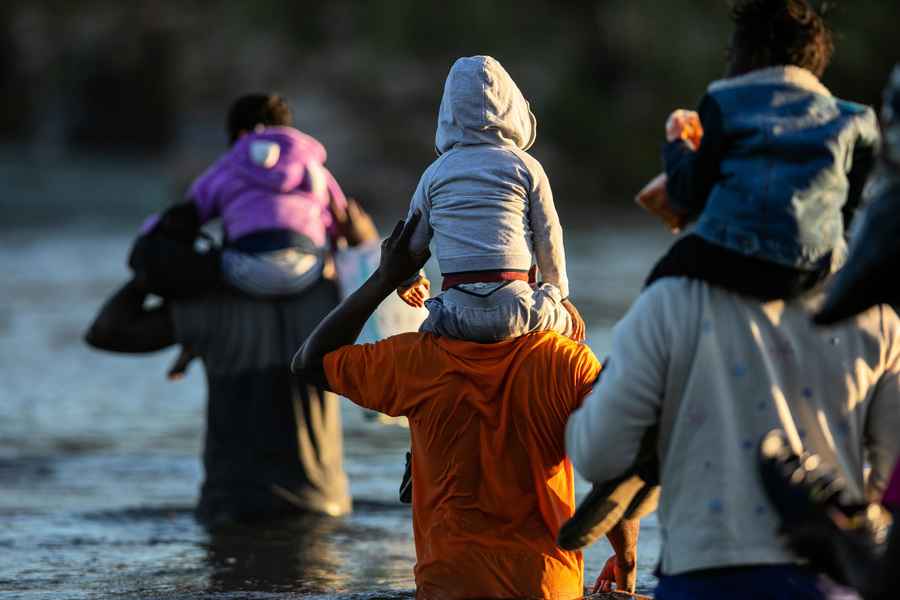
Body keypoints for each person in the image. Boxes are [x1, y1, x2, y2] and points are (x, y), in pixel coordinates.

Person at [292, 212, 638, 598]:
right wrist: (626, 563)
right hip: (546, 586)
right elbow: (615, 462)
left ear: (447, 277)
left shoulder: (415, 361)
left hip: (449, 585)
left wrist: (385, 279)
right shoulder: (568, 361)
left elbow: (310, 363)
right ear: (535, 272)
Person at [85, 96, 380, 525]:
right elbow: (402, 326)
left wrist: (162, 260)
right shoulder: (336, 299)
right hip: (321, 508)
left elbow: (107, 332)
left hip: (232, 509)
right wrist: (367, 247)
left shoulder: (209, 300)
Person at [564, 229, 900, 600]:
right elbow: (890, 478)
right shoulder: (875, 314)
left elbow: (597, 456)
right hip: (830, 579)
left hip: (703, 575)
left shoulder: (669, 302)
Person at [638, 0, 880, 301]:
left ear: (746, 56)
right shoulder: (856, 120)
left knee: (663, 276)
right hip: (817, 267)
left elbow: (686, 193)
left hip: (734, 257)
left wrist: (677, 145)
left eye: (730, 56)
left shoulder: (725, 101)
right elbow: (851, 212)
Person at [129, 93, 368, 379]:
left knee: (198, 256)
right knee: (339, 247)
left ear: (240, 134)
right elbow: (341, 219)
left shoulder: (228, 166)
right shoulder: (313, 168)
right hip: (309, 271)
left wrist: (152, 234)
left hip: (243, 271)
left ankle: (191, 345)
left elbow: (188, 217)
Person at [396, 55, 585, 344]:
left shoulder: (434, 173)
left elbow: (411, 241)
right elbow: (549, 236)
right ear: (513, 106)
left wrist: (410, 280)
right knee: (570, 328)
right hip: (520, 311)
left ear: (449, 113)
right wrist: (561, 296)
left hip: (453, 314)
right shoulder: (526, 166)